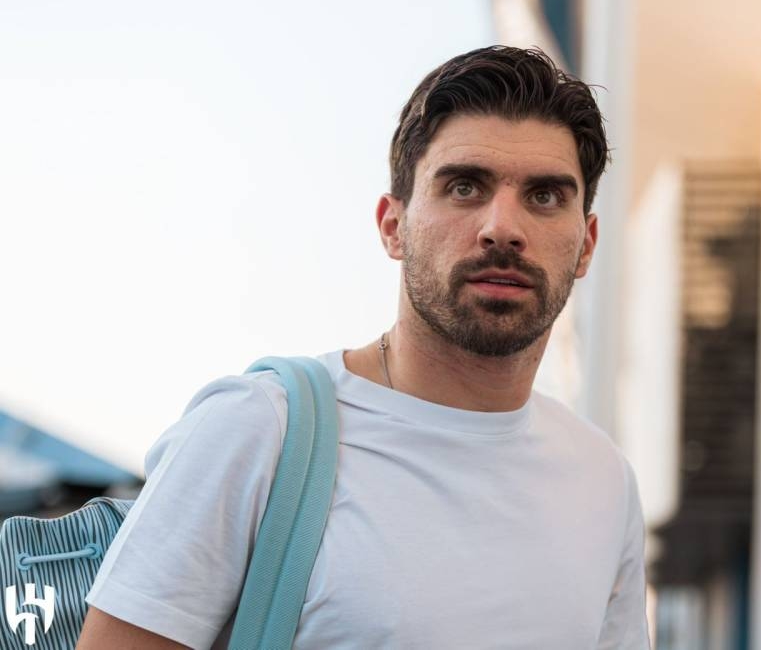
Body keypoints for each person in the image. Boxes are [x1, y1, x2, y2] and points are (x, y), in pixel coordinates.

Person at [77, 45, 651, 649]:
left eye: (545, 197)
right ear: (393, 227)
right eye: (464, 187)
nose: (501, 228)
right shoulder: (259, 429)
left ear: (586, 244)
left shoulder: (603, 482)